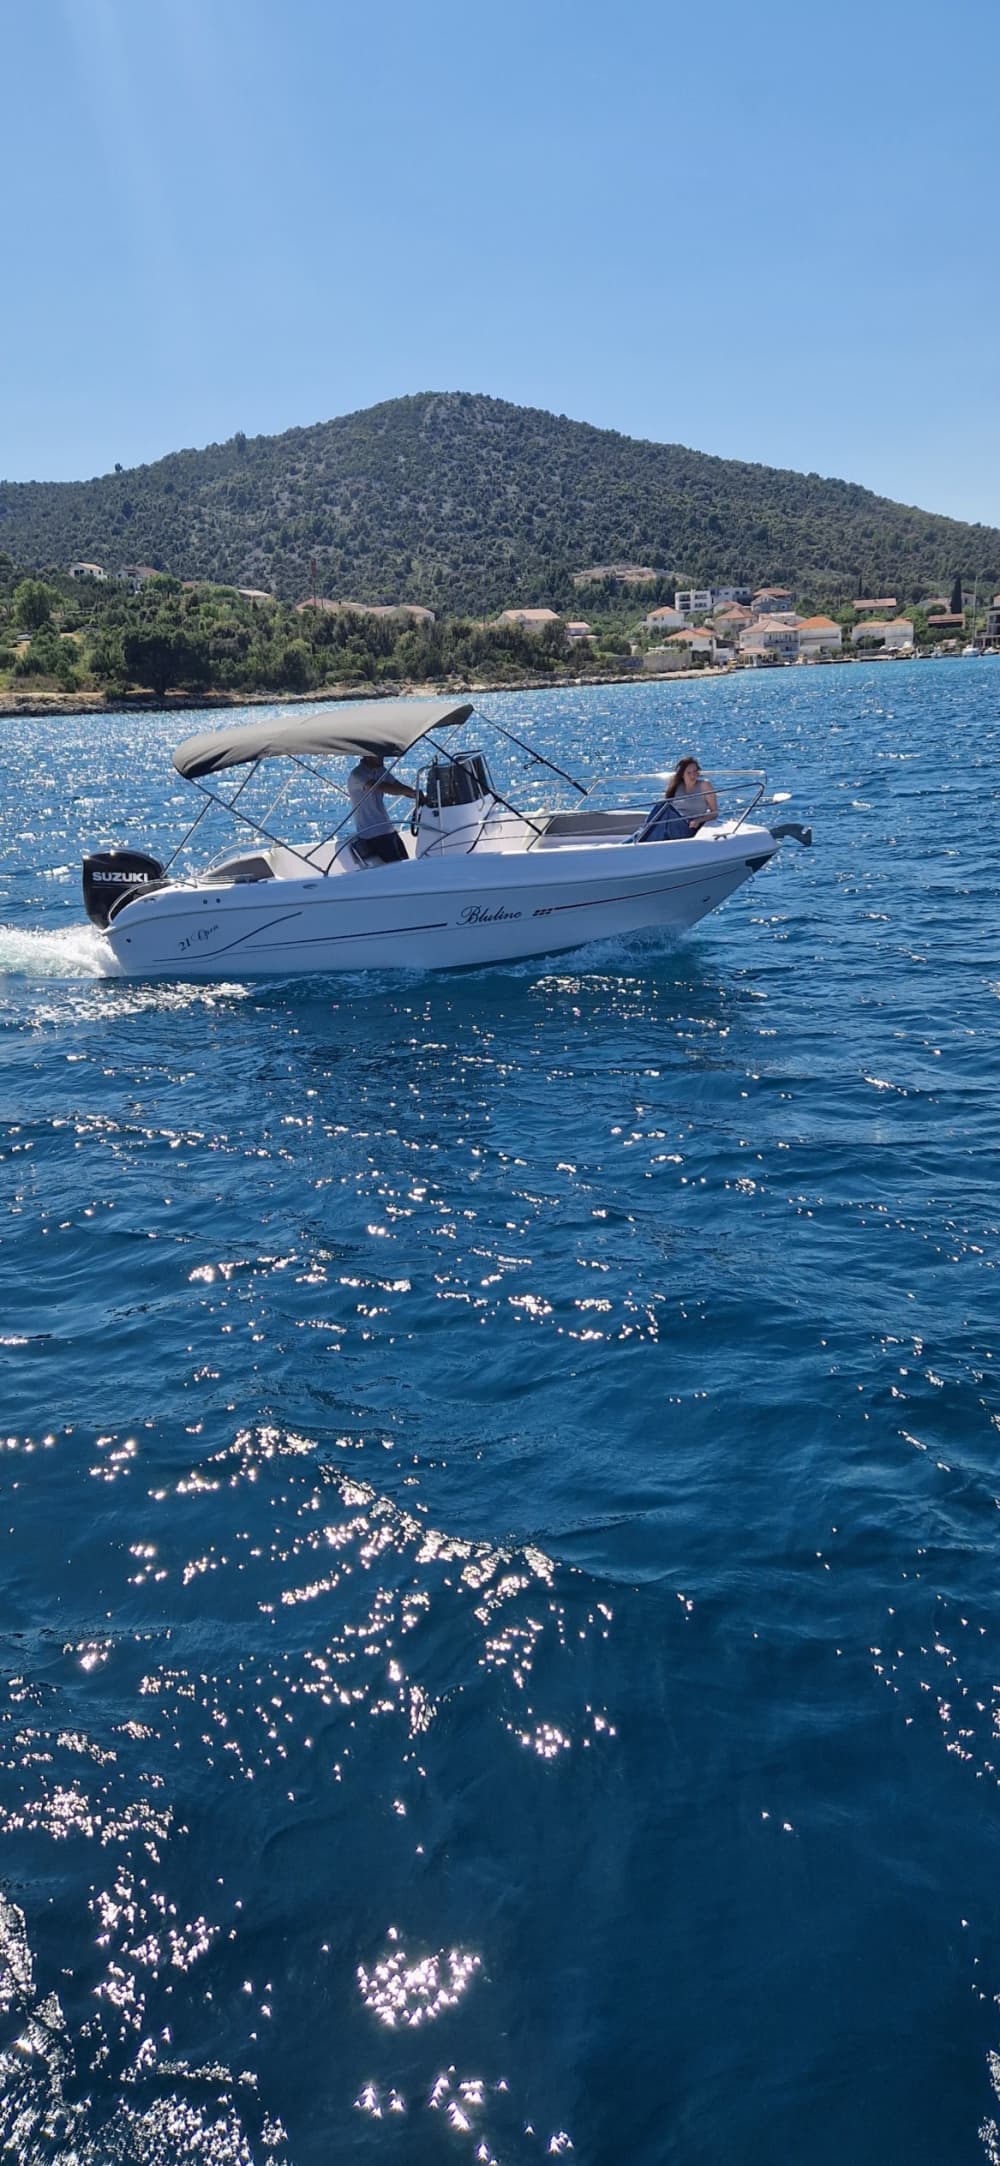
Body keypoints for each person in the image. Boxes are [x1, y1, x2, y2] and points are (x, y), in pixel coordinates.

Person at [347, 752, 417, 864]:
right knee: (397, 868)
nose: (382, 757)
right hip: (372, 834)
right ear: (367, 755)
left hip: (387, 829)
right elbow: (379, 787)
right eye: (378, 755)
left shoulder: (381, 770)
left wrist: (415, 794)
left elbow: (397, 786)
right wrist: (406, 791)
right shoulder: (358, 775)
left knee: (406, 864)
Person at [664, 754, 718, 832]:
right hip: (675, 822)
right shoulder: (676, 786)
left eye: (695, 771)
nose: (693, 775)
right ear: (682, 774)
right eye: (688, 773)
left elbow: (714, 813)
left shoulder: (704, 786)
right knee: (660, 807)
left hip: (691, 826)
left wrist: (698, 820)